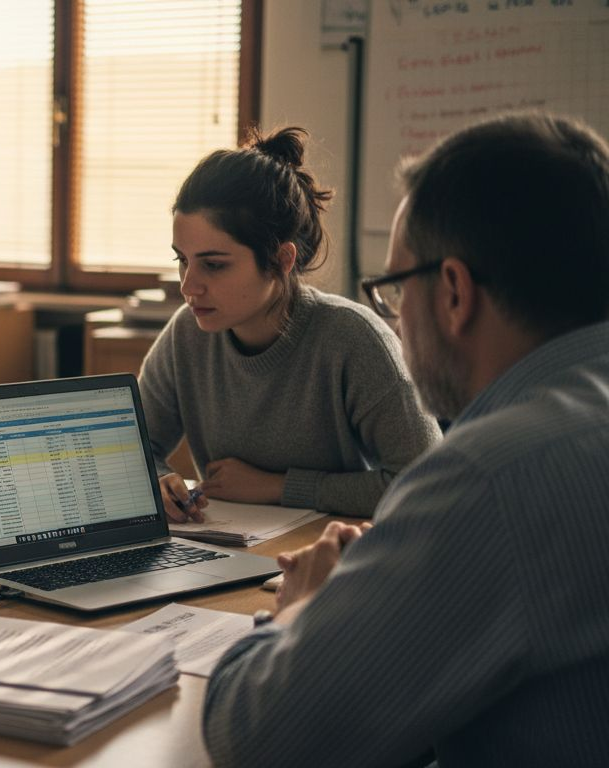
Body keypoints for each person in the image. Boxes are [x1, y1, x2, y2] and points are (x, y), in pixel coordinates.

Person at [203, 113, 609, 766]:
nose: (393, 319)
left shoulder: (486, 478)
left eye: (394, 290)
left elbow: (255, 736)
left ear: (454, 293)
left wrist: (305, 609)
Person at [140, 127, 440, 521]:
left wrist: (278, 487)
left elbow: (428, 483)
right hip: (230, 546)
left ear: (282, 260)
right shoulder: (187, 334)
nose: (188, 286)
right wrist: (156, 480)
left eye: (213, 265)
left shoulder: (354, 340)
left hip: (336, 548)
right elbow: (134, 449)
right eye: (182, 260)